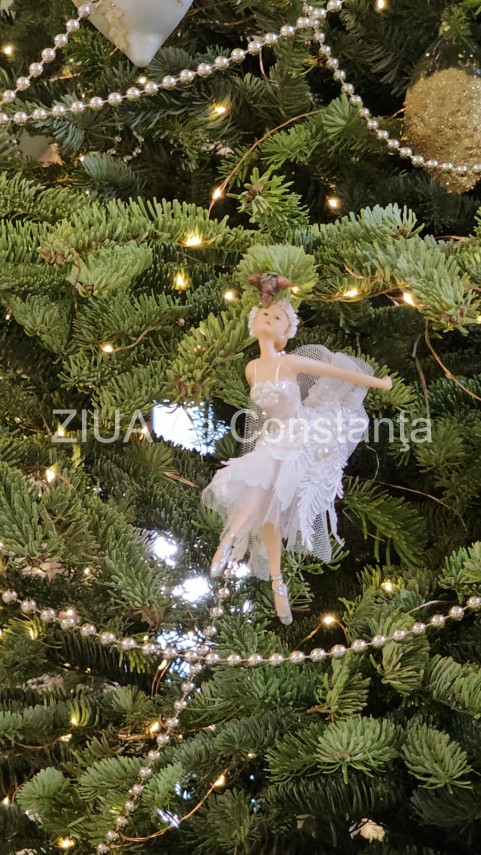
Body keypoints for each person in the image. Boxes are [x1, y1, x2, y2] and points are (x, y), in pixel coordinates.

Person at [202, 299, 393, 625]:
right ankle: (246, 557)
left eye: (277, 317)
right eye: (264, 314)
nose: (268, 318)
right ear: (254, 323)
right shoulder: (252, 368)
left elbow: (336, 372)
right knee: (259, 493)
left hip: (302, 437)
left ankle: (257, 566)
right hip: (275, 438)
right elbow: (261, 413)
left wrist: (380, 384)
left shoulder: (289, 363)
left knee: (269, 502)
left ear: (286, 331)